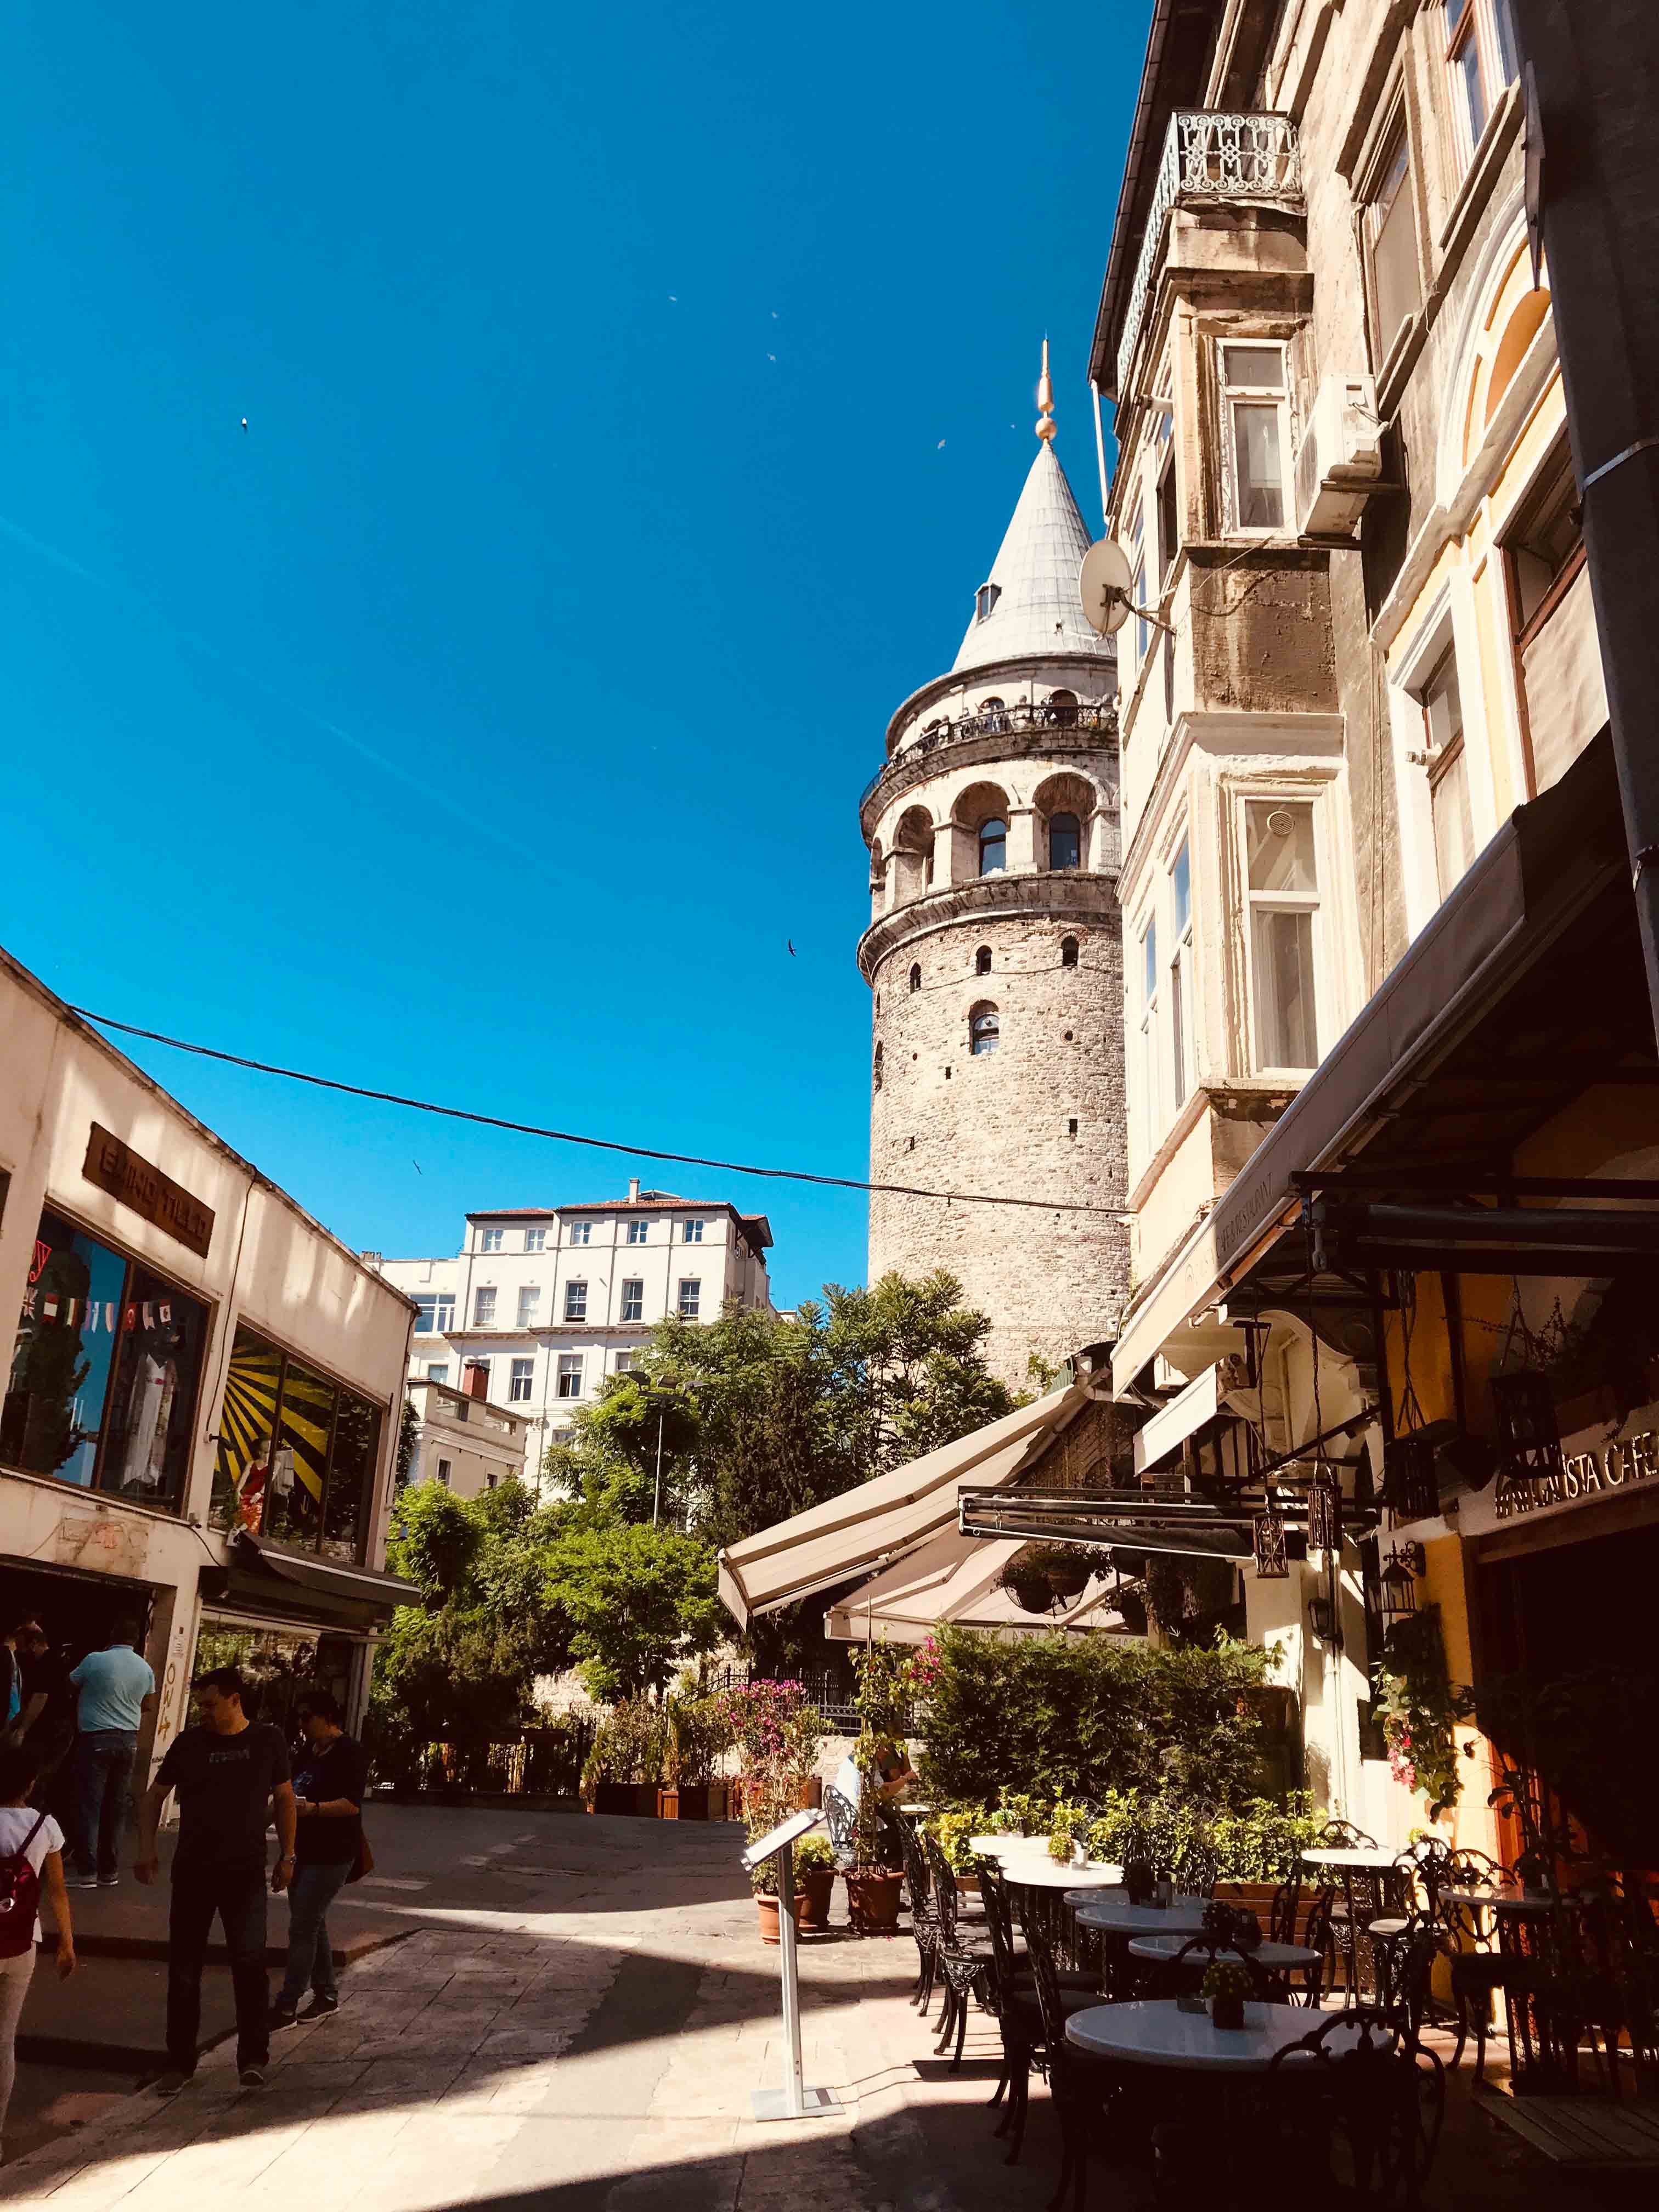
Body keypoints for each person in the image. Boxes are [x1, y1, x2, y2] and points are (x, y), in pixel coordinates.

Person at [135, 1666, 295, 2095]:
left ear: (234, 1699)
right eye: (200, 1705)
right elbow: (154, 1796)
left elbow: (284, 1797)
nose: (203, 1712)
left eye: (210, 1704)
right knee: (184, 1968)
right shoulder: (189, 1743)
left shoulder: (267, 1740)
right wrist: (145, 1847)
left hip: (244, 1872)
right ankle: (180, 2062)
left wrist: (289, 1856)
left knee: (249, 1963)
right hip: (193, 1872)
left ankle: (254, 2057)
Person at [271, 1690, 365, 2029]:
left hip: (334, 1852)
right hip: (303, 1850)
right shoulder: (306, 1753)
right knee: (311, 1921)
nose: (302, 1724)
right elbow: (285, 1795)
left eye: (307, 1717)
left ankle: (288, 2003)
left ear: (328, 1718)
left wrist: (312, 1809)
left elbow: (352, 1804)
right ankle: (326, 1994)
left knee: (303, 1926)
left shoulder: (350, 1753)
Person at [0, 1741, 76, 2150]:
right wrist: (66, 1943)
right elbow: (58, 1892)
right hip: (21, 1943)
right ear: (30, 1783)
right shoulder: (45, 1826)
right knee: (4, 2042)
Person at [65, 1617, 156, 1888]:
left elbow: (70, 1684)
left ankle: (87, 1872)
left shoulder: (95, 1659)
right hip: (128, 1742)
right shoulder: (145, 1667)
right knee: (115, 1808)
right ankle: (109, 1871)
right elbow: (149, 1704)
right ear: (137, 1640)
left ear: (112, 1635)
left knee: (89, 1806)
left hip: (96, 1739)